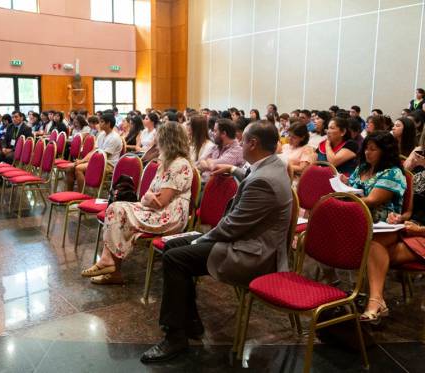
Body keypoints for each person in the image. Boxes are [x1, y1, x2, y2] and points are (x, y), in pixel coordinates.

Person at [140, 121, 292, 363]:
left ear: (253, 143)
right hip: (246, 240)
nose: (240, 143)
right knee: (172, 246)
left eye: (243, 140)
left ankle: (175, 337)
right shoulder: (272, 165)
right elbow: (248, 179)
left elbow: (233, 226)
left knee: (175, 257)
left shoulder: (264, 181)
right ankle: (190, 321)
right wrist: (233, 170)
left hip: (253, 253)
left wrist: (200, 238)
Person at [81, 121, 193, 285]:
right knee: (115, 208)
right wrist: (147, 197)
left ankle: (110, 266)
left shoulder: (179, 164)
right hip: (155, 209)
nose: (156, 142)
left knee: (119, 212)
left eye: (159, 139)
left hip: (169, 215)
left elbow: (160, 201)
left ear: (167, 141)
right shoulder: (166, 161)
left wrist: (147, 198)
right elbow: (149, 193)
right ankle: (111, 267)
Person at [361, 220, 425, 322]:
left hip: (421, 234)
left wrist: (420, 230)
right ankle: (376, 301)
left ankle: (375, 301)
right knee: (375, 241)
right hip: (411, 230)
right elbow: (409, 213)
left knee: (372, 250)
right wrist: (399, 218)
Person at [346, 131, 406, 223]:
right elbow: (349, 187)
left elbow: (372, 201)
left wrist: (343, 203)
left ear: (385, 152)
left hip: (380, 223)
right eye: (366, 148)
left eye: (372, 149)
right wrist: (344, 182)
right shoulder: (362, 168)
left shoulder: (392, 173)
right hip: (355, 213)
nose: (367, 152)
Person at [64, 112, 122, 192]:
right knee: (70, 167)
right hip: (97, 160)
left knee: (79, 168)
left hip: (108, 163)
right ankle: (69, 193)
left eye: (101, 122)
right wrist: (82, 160)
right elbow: (94, 151)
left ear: (108, 124)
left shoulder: (114, 137)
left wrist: (83, 161)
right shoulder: (101, 135)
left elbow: (103, 156)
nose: (99, 124)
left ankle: (81, 195)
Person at [198, 118, 244, 182]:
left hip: (218, 187)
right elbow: (200, 161)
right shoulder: (217, 145)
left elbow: (214, 167)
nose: (213, 133)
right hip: (205, 181)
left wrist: (207, 160)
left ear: (224, 133)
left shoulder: (237, 150)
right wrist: (206, 161)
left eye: (215, 131)